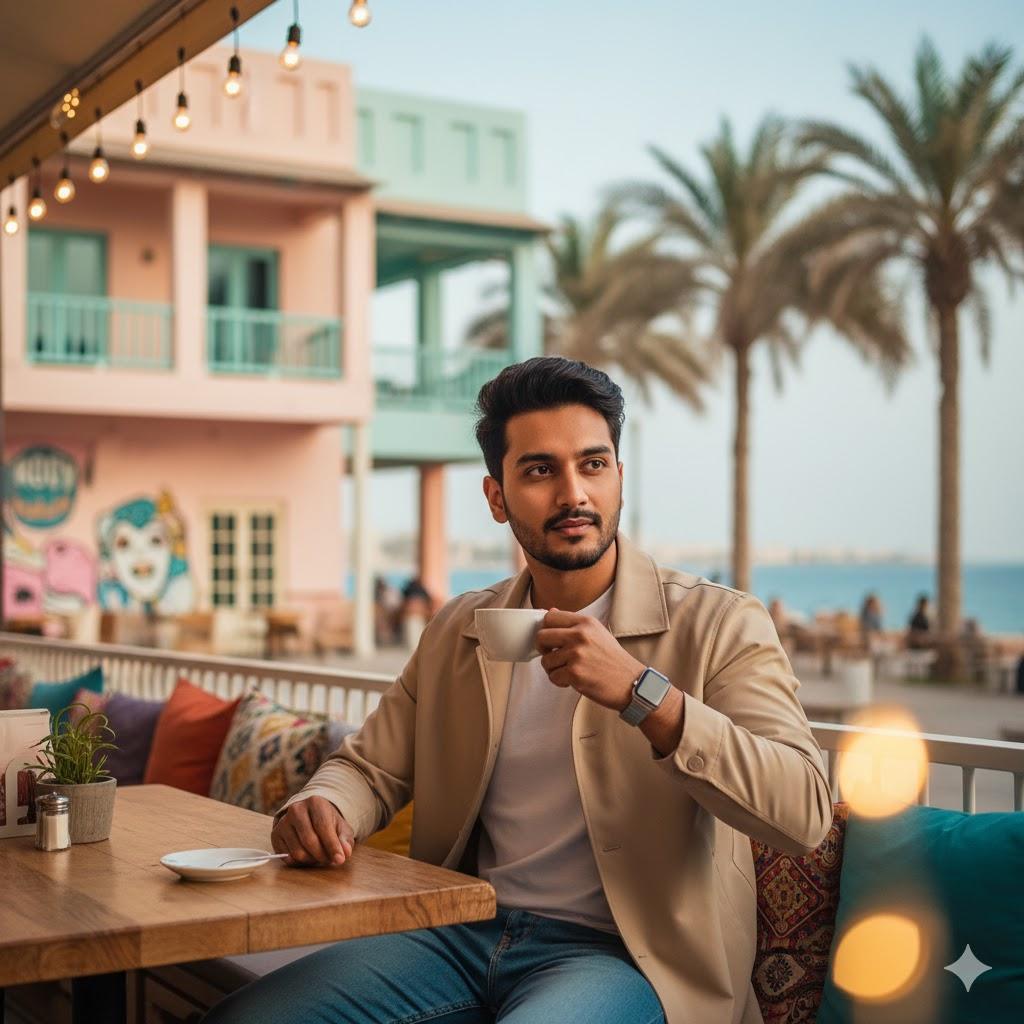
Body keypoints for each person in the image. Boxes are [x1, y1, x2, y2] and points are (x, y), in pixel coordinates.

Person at [204, 357, 831, 1024]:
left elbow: (803, 810)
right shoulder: (459, 628)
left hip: (623, 958)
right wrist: (324, 803)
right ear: (496, 497)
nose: (574, 494)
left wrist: (643, 695)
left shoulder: (720, 623)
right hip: (455, 931)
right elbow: (370, 766)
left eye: (594, 465)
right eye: (540, 471)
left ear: (619, 476)